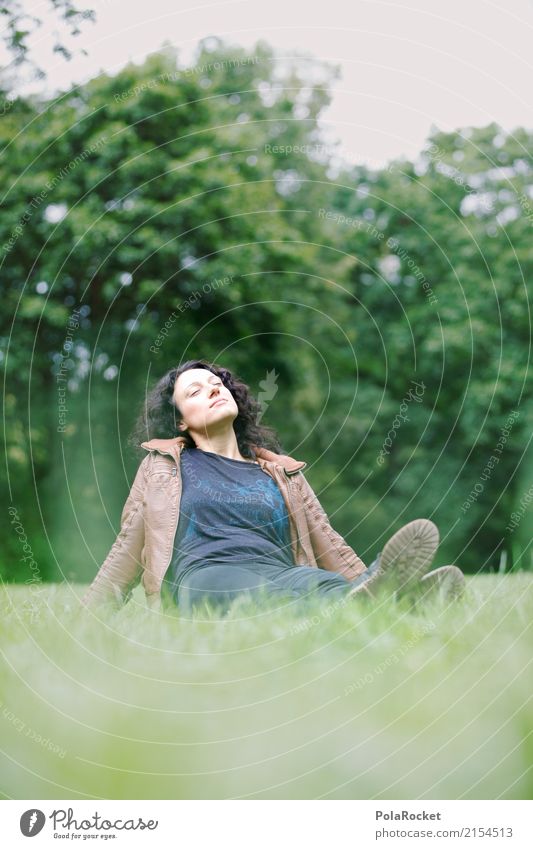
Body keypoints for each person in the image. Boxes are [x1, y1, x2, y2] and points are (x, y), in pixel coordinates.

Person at [81, 359, 465, 615]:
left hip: (281, 570)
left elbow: (328, 542)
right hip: (207, 577)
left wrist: (366, 577)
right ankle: (400, 604)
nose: (213, 390)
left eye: (217, 384)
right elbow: (128, 544)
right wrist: (89, 617)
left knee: (324, 585)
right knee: (263, 596)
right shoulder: (164, 466)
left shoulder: (280, 472)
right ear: (179, 421)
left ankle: (386, 600)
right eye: (195, 392)